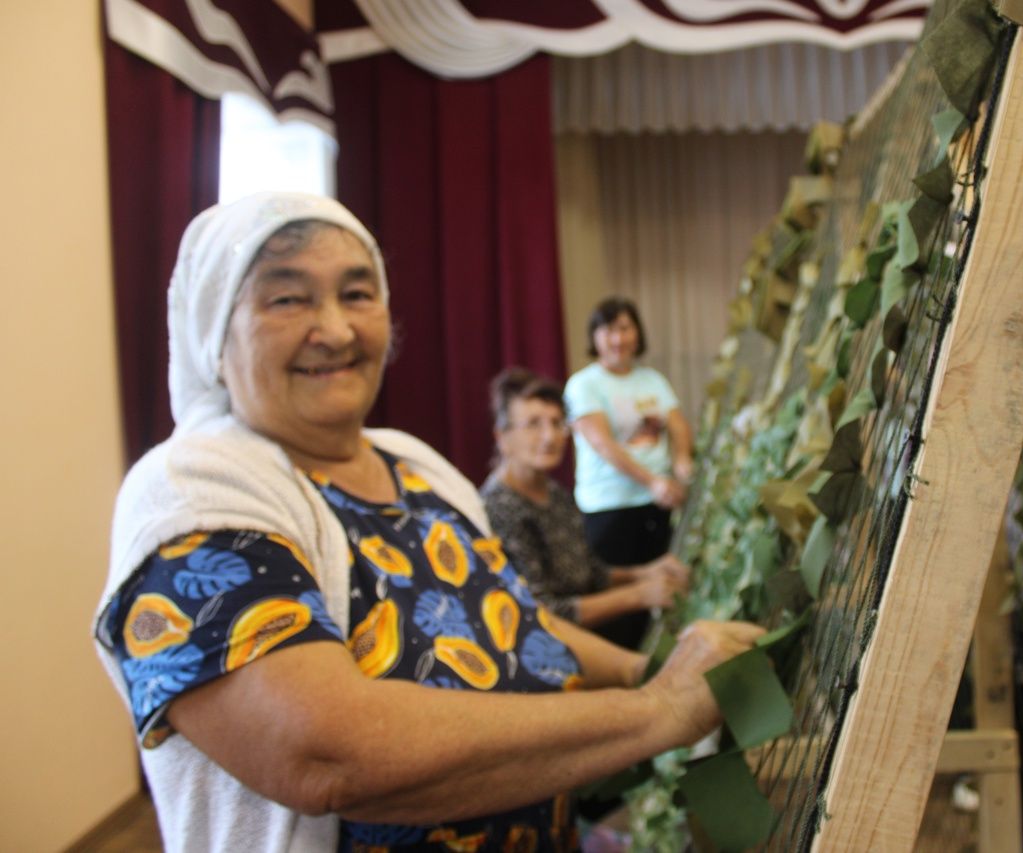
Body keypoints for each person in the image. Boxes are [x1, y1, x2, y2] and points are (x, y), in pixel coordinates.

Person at [92, 192, 762, 852]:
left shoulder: (415, 464)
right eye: (287, 298)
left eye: (357, 293)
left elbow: (510, 617)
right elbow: (325, 753)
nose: (336, 329)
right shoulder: (189, 494)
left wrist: (649, 670)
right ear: (214, 331)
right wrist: (656, 710)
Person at [481, 368, 690, 649]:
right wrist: (640, 594)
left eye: (557, 423)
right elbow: (541, 613)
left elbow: (589, 571)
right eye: (533, 424)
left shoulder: (555, 493)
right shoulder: (499, 507)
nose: (549, 436)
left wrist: (645, 572)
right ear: (502, 437)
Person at [564, 298, 694, 578]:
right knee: (623, 599)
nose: (618, 338)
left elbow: (678, 425)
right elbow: (602, 444)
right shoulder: (583, 384)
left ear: (637, 333)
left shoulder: (653, 380)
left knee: (664, 587)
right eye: (609, 330)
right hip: (611, 506)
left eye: (625, 329)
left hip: (657, 504)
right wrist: (652, 481)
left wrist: (682, 460)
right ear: (595, 337)